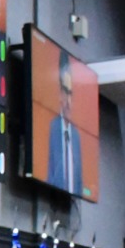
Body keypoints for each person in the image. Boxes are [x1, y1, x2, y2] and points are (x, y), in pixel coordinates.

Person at [45, 49, 84, 196]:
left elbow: (79, 185)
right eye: (65, 91)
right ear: (59, 93)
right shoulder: (52, 129)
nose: (68, 101)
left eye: (71, 93)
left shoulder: (76, 136)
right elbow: (49, 176)